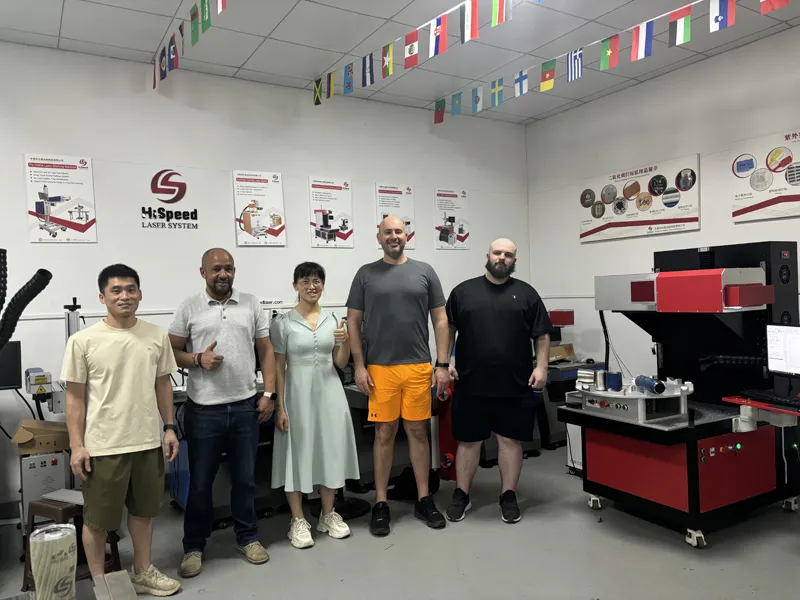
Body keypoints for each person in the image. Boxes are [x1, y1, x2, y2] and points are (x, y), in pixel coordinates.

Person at [63, 264, 181, 596]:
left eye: (130, 289)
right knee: (98, 522)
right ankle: (102, 584)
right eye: (116, 290)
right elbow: (74, 399)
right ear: (102, 297)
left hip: (147, 442)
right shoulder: (83, 341)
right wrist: (77, 445)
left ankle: (142, 572)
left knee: (144, 514)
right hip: (104, 447)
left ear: (140, 294)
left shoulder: (155, 335)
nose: (124, 296)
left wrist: (169, 427)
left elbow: (163, 385)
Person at [168, 248, 277, 578]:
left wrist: (269, 393)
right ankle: (194, 546)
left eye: (228, 268)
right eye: (216, 269)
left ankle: (248, 538)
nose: (223, 274)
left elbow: (266, 350)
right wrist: (197, 359)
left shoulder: (251, 304)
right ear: (203, 272)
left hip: (245, 407)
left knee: (245, 480)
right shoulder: (189, 306)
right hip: (204, 411)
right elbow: (171, 351)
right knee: (201, 483)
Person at [347, 215, 451, 536]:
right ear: (378, 237)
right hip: (380, 368)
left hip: (418, 366)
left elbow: (441, 319)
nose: (393, 236)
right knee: (384, 433)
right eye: (387, 232)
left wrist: (442, 364)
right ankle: (381, 502)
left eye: (399, 231)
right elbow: (353, 322)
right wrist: (360, 366)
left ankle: (423, 498)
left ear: (407, 236)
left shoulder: (425, 272)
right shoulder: (365, 274)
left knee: (418, 432)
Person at [444, 238, 552, 524]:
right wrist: (444, 362)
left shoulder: (527, 294)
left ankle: (508, 495)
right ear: (487, 256)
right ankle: (462, 493)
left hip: (514, 383)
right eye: (497, 252)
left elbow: (542, 334)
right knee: (469, 441)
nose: (502, 257)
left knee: (510, 440)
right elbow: (449, 329)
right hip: (470, 381)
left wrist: (542, 367)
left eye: (508, 254)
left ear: (514, 261)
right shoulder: (463, 292)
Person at [270, 262, 360, 549]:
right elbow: (279, 368)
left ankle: (327, 514)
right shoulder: (283, 323)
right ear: (295, 285)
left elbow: (340, 363)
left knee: (329, 452)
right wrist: (280, 406)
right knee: (296, 454)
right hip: (296, 396)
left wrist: (345, 342)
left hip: (330, 394)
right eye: (305, 281)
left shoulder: (333, 320)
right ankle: (297, 519)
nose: (312, 286)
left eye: (317, 281)